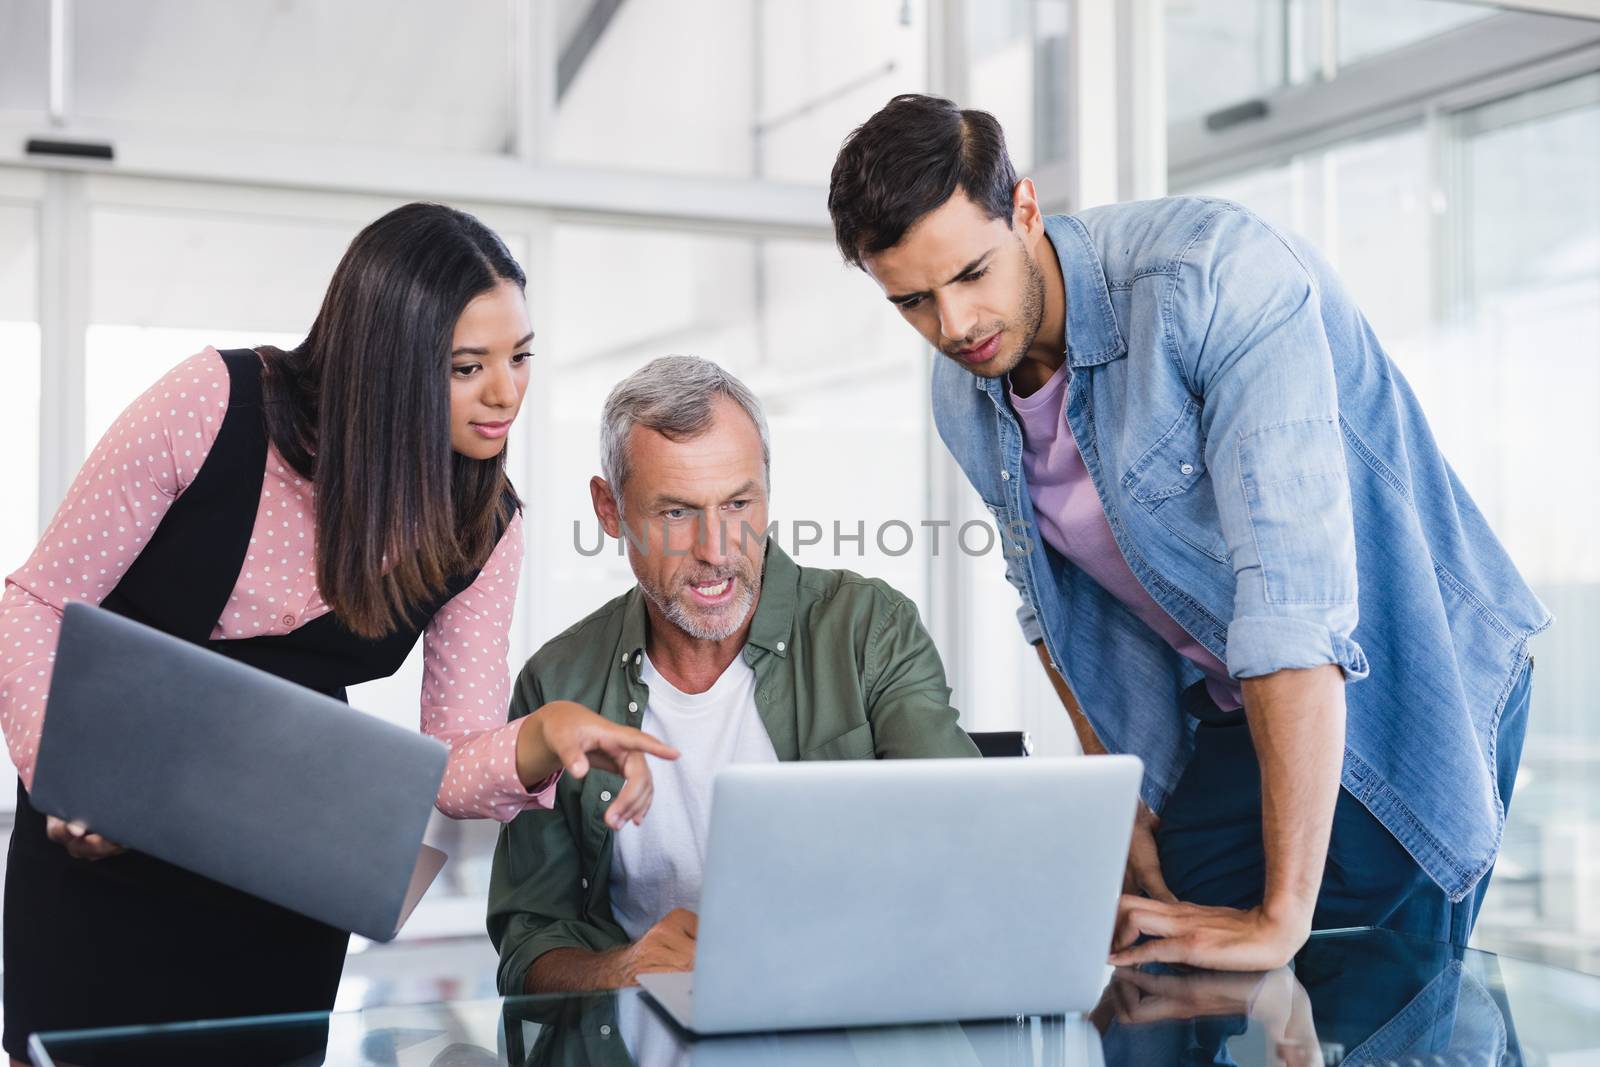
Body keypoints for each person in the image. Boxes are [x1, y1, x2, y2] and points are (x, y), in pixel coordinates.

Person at [825, 94, 1549, 970]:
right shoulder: (964, 396)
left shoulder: (1214, 275)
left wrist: (1281, 916)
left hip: (1394, 680)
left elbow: (1292, 602)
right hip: (1228, 710)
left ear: (1023, 208)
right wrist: (1119, 802)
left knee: (1363, 1004)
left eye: (972, 273)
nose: (956, 326)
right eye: (912, 301)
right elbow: (1052, 611)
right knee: (1163, 965)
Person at [0, 202, 671, 1057]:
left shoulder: (484, 524)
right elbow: (35, 602)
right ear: (384, 361)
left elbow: (453, 759)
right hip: (103, 855)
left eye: (519, 356)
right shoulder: (214, 404)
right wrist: (60, 774)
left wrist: (542, 736)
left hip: (283, 881)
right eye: (469, 366)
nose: (506, 392)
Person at [487, 355, 978, 994]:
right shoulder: (557, 683)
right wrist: (625, 970)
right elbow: (529, 946)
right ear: (609, 510)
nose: (717, 552)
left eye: (739, 503)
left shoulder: (868, 629)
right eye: (675, 513)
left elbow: (965, 839)